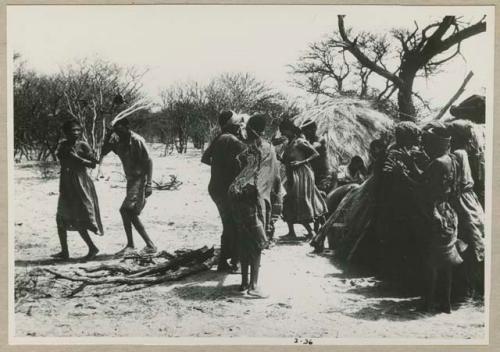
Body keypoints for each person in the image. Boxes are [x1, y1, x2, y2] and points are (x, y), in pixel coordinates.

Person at [229, 113, 282, 298]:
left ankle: (243, 283)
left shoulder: (246, 149)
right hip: (255, 197)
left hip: (237, 195)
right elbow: (273, 177)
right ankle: (254, 286)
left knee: (244, 241)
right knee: (257, 244)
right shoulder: (268, 148)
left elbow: (239, 167)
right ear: (264, 128)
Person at [100, 117, 156, 256]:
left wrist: (149, 183)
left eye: (119, 129)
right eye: (115, 130)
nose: (117, 132)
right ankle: (134, 244)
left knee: (127, 211)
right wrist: (107, 137)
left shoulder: (137, 140)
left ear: (126, 127)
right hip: (130, 180)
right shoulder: (117, 140)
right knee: (128, 212)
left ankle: (149, 245)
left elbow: (148, 162)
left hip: (140, 179)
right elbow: (104, 151)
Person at [201, 111, 246, 272]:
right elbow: (246, 162)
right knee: (234, 224)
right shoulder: (234, 141)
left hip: (215, 187)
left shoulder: (219, 138)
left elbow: (205, 158)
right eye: (237, 125)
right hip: (227, 189)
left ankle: (225, 261)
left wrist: (219, 167)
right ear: (232, 126)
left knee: (228, 223)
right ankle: (234, 260)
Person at [53, 119, 102, 260]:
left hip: (80, 184)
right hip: (66, 184)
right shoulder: (62, 145)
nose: (75, 133)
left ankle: (92, 248)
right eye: (72, 130)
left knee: (79, 219)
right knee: (60, 218)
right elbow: (62, 160)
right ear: (66, 132)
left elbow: (94, 164)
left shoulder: (83, 145)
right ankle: (65, 251)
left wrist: (78, 159)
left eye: (77, 130)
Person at [447, 120, 485, 296]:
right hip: (470, 198)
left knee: (463, 238)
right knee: (475, 234)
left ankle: (468, 287)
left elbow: (454, 185)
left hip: (461, 199)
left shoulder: (456, 155)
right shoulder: (466, 153)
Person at [279, 119, 328, 239]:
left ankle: (311, 232)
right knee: (287, 201)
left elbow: (315, 153)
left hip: (301, 175)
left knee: (299, 202)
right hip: (291, 174)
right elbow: (286, 160)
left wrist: (301, 162)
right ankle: (292, 232)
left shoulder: (300, 141)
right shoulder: (288, 144)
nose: (283, 134)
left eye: (284, 131)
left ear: (290, 130)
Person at [300, 119, 331, 193]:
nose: (305, 133)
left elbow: (314, 147)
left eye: (306, 130)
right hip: (311, 174)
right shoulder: (307, 141)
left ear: (313, 129)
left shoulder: (320, 140)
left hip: (322, 176)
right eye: (304, 131)